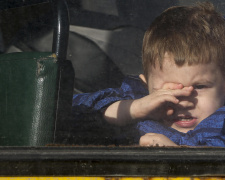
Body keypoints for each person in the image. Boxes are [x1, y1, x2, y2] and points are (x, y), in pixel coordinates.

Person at [72, 2, 225, 147]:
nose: (184, 102)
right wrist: (133, 109)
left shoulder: (221, 124)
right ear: (146, 86)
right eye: (169, 90)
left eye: (199, 86)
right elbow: (75, 110)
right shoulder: (138, 102)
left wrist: (178, 156)